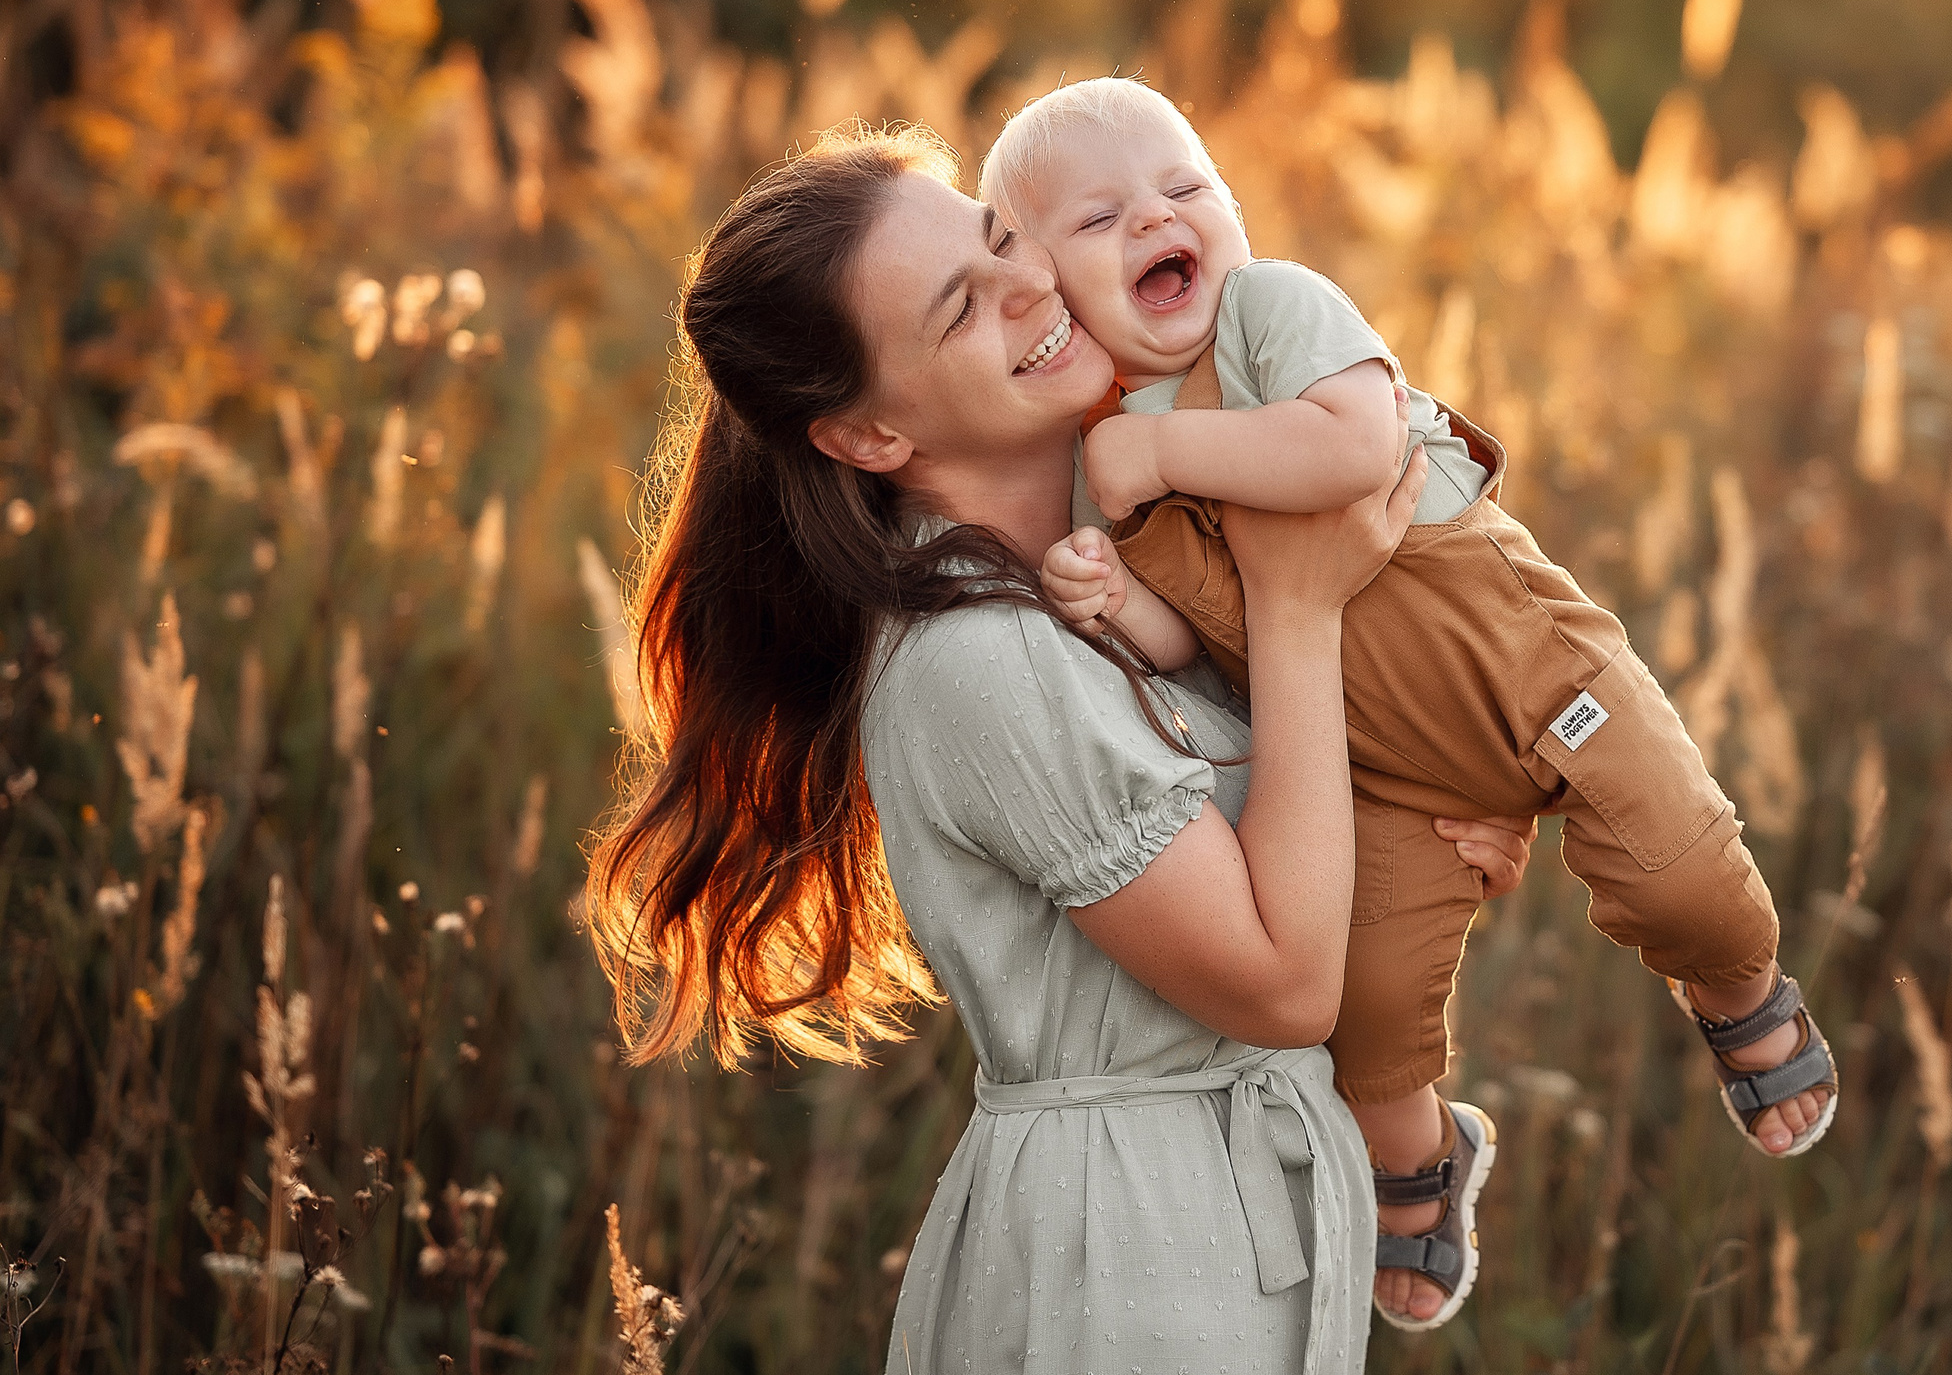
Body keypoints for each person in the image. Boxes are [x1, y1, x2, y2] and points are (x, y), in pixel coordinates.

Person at [584, 126, 1536, 1375]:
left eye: (998, 241)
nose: (1028, 287)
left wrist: (1449, 818)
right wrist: (1295, 611)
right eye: (960, 311)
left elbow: (1309, 820)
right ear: (868, 434)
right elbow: (1283, 981)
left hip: (1235, 1217)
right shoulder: (981, 662)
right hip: (1130, 1266)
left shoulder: (1134, 539)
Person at [981, 79, 1840, 1330]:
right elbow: (1202, 644)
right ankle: (1417, 1164)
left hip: (1527, 665)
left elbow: (1350, 452)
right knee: (1360, 1009)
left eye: (1185, 188)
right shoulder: (1098, 452)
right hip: (1383, 770)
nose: (1157, 220)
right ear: (1054, 291)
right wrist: (1109, 594)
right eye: (1101, 217)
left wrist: (1165, 459)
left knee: (1680, 877)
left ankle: (1738, 989)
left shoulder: (1269, 313)